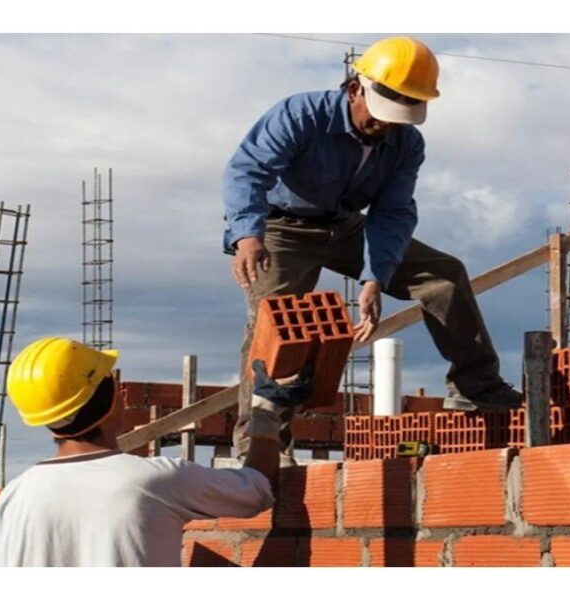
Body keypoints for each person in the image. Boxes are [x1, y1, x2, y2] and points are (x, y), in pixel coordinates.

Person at [222, 36, 523, 462]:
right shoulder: (300, 115)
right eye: (383, 114)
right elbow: (247, 170)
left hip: (345, 226)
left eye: (401, 116)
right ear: (356, 88)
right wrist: (247, 234)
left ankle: (477, 387)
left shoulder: (406, 144)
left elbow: (393, 213)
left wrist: (373, 276)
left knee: (443, 275)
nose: (387, 125)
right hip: (280, 229)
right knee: (279, 325)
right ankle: (263, 446)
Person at [0, 337, 312, 567]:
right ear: (114, 397)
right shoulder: (154, 481)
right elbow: (255, 488)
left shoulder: (13, 497)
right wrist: (267, 412)